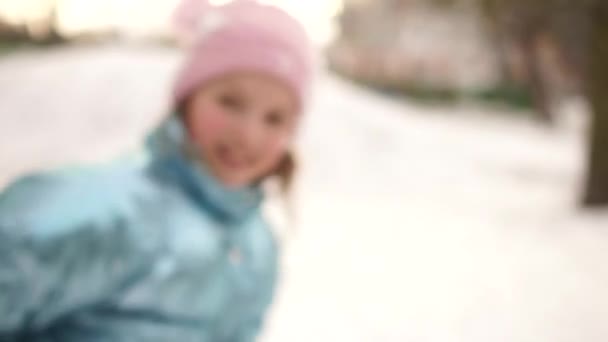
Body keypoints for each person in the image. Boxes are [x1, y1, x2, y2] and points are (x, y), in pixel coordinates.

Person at [0, 1, 313, 341]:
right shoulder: (101, 212)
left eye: (275, 119)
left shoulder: (258, 247)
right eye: (230, 102)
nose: (249, 134)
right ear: (187, 99)